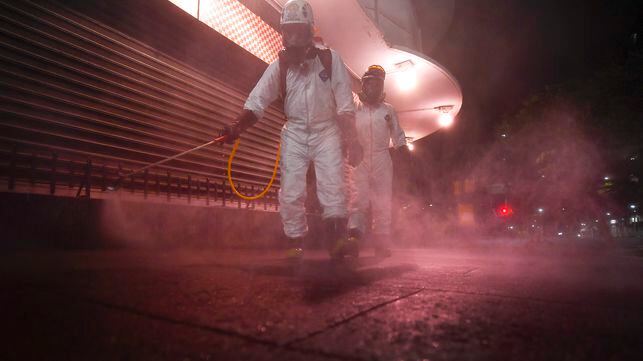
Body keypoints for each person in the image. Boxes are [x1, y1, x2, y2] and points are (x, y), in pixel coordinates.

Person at [220, 0, 363, 260]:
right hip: (295, 132)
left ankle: (338, 240)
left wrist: (352, 140)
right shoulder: (280, 67)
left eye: (299, 31)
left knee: (333, 186)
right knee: (291, 189)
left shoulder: (331, 61)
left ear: (310, 32)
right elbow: (257, 101)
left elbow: (344, 105)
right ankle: (294, 242)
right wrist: (236, 127)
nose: (294, 37)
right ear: (283, 33)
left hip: (327, 130)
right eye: (289, 31)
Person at [348, 65, 408, 257]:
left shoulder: (388, 110)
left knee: (383, 200)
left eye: (377, 84)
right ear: (363, 85)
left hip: (383, 157)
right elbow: (345, 128)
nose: (372, 87)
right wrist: (351, 144)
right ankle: (354, 239)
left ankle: (381, 243)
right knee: (358, 198)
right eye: (369, 83)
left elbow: (398, 135)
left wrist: (403, 153)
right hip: (360, 157)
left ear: (381, 87)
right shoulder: (354, 107)